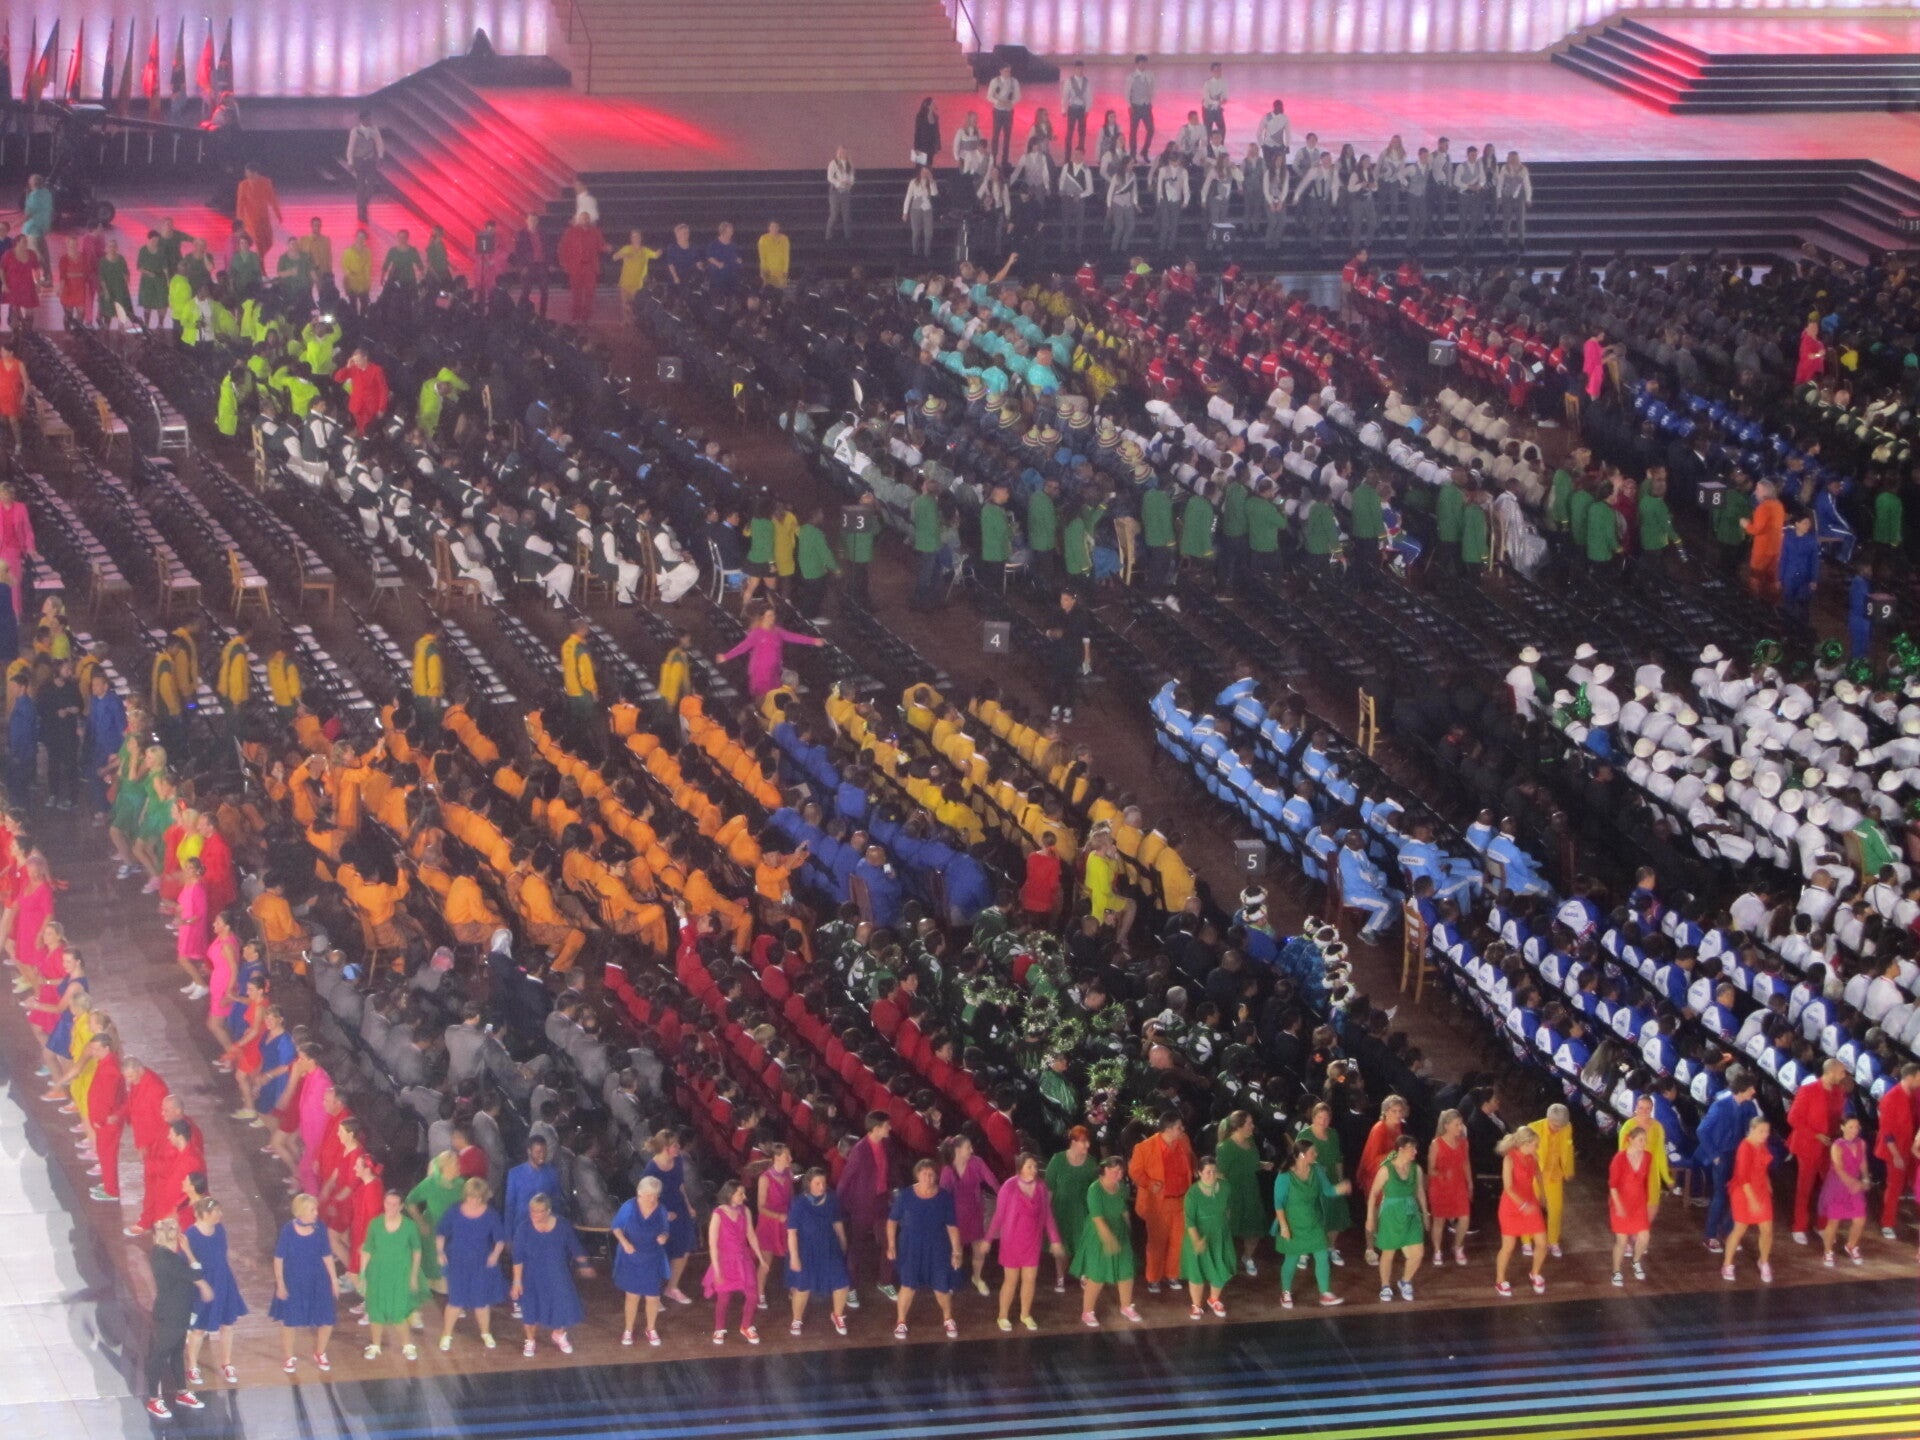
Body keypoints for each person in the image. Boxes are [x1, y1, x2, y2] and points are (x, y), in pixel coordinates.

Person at [987, 1151, 1064, 1331]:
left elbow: (1047, 1215)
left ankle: (1025, 1314)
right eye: (1029, 1166)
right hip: (1011, 1242)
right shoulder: (1009, 1186)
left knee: (1030, 1279)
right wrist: (988, 1239)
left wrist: (1055, 1240)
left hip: (1032, 1241)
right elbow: (999, 1216)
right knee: (1011, 1280)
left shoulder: (1041, 1187)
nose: (1034, 1170)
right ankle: (1003, 1316)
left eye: (1035, 1166)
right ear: (1020, 1168)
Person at [887, 1158, 961, 1340]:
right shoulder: (905, 1195)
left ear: (936, 1176)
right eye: (924, 1173)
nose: (928, 1177)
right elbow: (892, 1221)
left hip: (937, 1247)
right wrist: (891, 1244)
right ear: (917, 1175)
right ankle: (901, 1321)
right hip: (911, 1247)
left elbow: (952, 1226)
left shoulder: (944, 1197)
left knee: (941, 1286)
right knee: (908, 1285)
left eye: (931, 1174)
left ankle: (948, 1318)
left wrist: (956, 1251)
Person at [146, 1215, 211, 1419]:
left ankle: (182, 1392)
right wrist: (189, 1251)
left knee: (176, 1353)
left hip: (178, 1312)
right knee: (160, 1355)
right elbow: (197, 1274)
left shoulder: (160, 1254)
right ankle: (153, 1400)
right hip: (171, 1314)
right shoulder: (169, 1260)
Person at [511, 1193, 592, 1356]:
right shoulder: (523, 1228)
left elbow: (574, 1247)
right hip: (532, 1276)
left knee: (561, 1306)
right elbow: (518, 1258)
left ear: (548, 1211)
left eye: (539, 1211)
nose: (535, 1214)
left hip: (557, 1274)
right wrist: (517, 1282)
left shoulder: (562, 1225)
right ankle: (530, 1340)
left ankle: (559, 1334)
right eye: (532, 1211)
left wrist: (584, 1264)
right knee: (531, 1310)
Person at [1272, 1138, 1348, 1309]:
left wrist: (1340, 1188)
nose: (1316, 1154)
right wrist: (1284, 1226)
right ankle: (1285, 1292)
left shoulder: (1317, 1170)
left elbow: (1328, 1190)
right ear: (1301, 1155)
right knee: (1291, 1258)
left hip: (1313, 1221)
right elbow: (1279, 1203)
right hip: (1293, 1223)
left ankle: (1325, 1293)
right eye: (1313, 1152)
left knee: (1322, 1255)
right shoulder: (1285, 1176)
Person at [435, 1177, 508, 1351]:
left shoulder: (490, 1214)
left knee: (481, 1302)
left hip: (481, 1263)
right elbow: (441, 1233)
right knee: (455, 1301)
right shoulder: (454, 1211)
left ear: (483, 1196)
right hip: (458, 1262)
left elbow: (500, 1239)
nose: (474, 1200)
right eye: (470, 1197)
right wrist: (440, 1252)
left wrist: (495, 1254)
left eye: (478, 1197)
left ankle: (485, 1333)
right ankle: (446, 1334)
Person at [270, 1192, 337, 1374]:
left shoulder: (320, 1227)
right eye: (312, 1210)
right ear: (301, 1212)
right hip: (294, 1281)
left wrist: (333, 1279)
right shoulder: (288, 1230)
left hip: (318, 1280)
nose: (316, 1213)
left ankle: (320, 1353)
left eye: (316, 1209)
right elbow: (279, 1258)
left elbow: (326, 1254)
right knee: (290, 1321)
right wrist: (281, 1284)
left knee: (327, 1318)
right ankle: (288, 1357)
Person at [183, 1197, 246, 1388]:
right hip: (203, 1286)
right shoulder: (191, 1235)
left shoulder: (219, 1229)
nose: (221, 1214)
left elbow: (222, 1252)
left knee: (227, 1325)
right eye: (217, 1211)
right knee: (199, 1329)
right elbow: (185, 1264)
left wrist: (240, 1257)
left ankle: (226, 1363)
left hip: (223, 1282)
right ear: (205, 1214)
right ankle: (192, 1366)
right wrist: (201, 1285)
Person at [1129, 1111, 1193, 1293]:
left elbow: (1191, 1160)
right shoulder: (1144, 1147)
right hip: (1158, 1204)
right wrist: (1149, 1183)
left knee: (1178, 1241)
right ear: (1168, 1129)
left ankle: (1173, 1275)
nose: (1183, 1129)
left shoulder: (1184, 1141)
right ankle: (1153, 1278)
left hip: (1181, 1201)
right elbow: (1134, 1171)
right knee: (1156, 1243)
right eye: (1179, 1127)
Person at [1788, 1058, 1850, 1243]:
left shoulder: (1839, 1091)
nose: (1844, 1075)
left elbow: (1838, 1116)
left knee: (1830, 1187)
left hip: (1830, 1147)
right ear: (1830, 1072)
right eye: (1841, 1072)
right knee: (1804, 1188)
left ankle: (1822, 1225)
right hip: (1809, 1146)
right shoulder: (1808, 1090)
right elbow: (1793, 1118)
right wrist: (1815, 1135)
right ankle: (1799, 1227)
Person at [1071, 1157, 1139, 1326]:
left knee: (1126, 1269)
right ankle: (1087, 1312)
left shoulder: (1121, 1188)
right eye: (1115, 1170)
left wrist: (1128, 1230)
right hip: (1098, 1234)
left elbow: (1123, 1210)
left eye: (1121, 1171)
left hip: (1119, 1231)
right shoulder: (1094, 1189)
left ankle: (1126, 1306)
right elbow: (1098, 1219)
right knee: (1097, 1274)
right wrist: (1109, 1240)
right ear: (1105, 1170)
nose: (1119, 1174)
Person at [785, 1166, 851, 1337]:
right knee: (803, 1286)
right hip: (806, 1250)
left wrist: (843, 1241)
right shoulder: (799, 1203)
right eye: (817, 1183)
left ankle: (837, 1315)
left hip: (829, 1247)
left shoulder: (832, 1199)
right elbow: (792, 1232)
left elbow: (837, 1222)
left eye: (823, 1182)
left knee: (842, 1282)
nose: (822, 1186)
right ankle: (797, 1319)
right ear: (809, 1183)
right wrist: (794, 1257)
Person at [359, 1188, 424, 1362]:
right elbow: (367, 1249)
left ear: (401, 1206)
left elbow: (417, 1251)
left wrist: (413, 1275)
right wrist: (363, 1274)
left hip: (400, 1275)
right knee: (376, 1311)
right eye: (388, 1203)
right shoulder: (375, 1224)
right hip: (378, 1274)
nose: (391, 1207)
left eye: (395, 1204)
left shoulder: (409, 1226)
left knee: (398, 1312)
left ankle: (407, 1345)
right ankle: (375, 1345)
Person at [718, 602, 824, 700]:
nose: (772, 618)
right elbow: (742, 647)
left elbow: (793, 637)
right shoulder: (756, 633)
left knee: (773, 698)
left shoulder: (777, 631)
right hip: (760, 674)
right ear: (762, 617)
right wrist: (726, 656)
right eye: (769, 615)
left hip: (774, 672)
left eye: (773, 615)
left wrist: (813, 641)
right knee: (763, 698)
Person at [701, 1179, 764, 1346]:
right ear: (730, 1194)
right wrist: (717, 1269)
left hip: (743, 1259)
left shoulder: (745, 1211)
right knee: (724, 1298)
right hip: (725, 1261)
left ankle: (746, 1326)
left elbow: (751, 1235)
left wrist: (760, 1257)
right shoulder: (718, 1214)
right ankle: (719, 1328)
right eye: (740, 1193)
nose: (744, 1196)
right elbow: (713, 1244)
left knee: (752, 1295)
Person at [1367, 1136, 1428, 1302]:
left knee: (1418, 1253)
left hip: (1411, 1213)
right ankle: (1385, 1285)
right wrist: (1370, 1218)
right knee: (1388, 1252)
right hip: (1391, 1214)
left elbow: (1420, 1192)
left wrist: (1425, 1213)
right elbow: (1373, 1193)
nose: (1415, 1152)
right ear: (1400, 1149)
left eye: (1415, 1148)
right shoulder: (1386, 1169)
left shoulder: (1416, 1169)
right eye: (1411, 1148)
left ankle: (1405, 1281)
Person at [642, 1130, 699, 1303]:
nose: (678, 1147)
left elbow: (680, 1186)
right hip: (659, 1212)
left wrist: (688, 1206)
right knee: (660, 1253)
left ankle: (672, 1287)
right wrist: (663, 1213)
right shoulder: (651, 1168)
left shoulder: (678, 1160)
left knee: (683, 1248)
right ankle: (653, 1294)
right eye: (675, 1145)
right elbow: (646, 1196)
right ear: (666, 1148)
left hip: (679, 1208)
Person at [1179, 1153, 1234, 1318]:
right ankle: (1196, 1305)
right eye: (1208, 1172)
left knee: (1220, 1265)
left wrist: (1223, 1226)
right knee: (1197, 1271)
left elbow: (1228, 1208)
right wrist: (1197, 1241)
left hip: (1219, 1233)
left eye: (1214, 1171)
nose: (1212, 1175)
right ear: (1199, 1173)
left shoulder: (1225, 1187)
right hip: (1199, 1235)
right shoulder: (1193, 1194)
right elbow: (1189, 1220)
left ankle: (1214, 1299)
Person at [1493, 1126, 1547, 1297]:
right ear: (1526, 1143)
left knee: (1542, 1243)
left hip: (1530, 1202)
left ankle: (1535, 1273)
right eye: (1535, 1144)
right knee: (1508, 1247)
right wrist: (1523, 1206)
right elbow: (1508, 1188)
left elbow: (1538, 1174)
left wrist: (1542, 1195)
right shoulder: (1509, 1159)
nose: (1537, 1147)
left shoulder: (1532, 1157)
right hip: (1511, 1207)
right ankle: (1500, 1280)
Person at [1723, 1115, 1776, 1283]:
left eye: (1767, 1131)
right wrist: (1752, 1201)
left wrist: (1767, 1183)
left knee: (1767, 1230)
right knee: (1740, 1229)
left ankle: (1764, 1261)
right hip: (1743, 1191)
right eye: (1761, 1131)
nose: (1765, 1134)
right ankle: (1727, 1264)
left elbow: (1763, 1167)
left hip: (1761, 1189)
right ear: (1752, 1130)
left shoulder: (1762, 1144)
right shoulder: (1745, 1147)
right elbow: (1743, 1177)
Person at [1045, 1128, 1098, 1293]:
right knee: (1061, 1246)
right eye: (1083, 1142)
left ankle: (1084, 1274)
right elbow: (1049, 1189)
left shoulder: (1091, 1163)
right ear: (1073, 1142)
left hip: (1083, 1210)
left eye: (1088, 1141)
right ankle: (1060, 1277)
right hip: (1061, 1210)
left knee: (1083, 1243)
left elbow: (1096, 1189)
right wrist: (1044, 1215)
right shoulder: (1058, 1160)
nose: (1087, 1145)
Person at [1818, 1115, 1869, 1267]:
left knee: (1860, 1219)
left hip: (1855, 1185)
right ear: (1842, 1127)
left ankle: (1851, 1246)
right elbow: (1838, 1168)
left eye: (1857, 1127)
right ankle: (1828, 1251)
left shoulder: (1861, 1143)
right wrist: (1853, 1184)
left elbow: (1863, 1162)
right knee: (1834, 1221)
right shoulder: (1837, 1146)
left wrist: (1866, 1178)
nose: (1855, 1130)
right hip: (1838, 1187)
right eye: (1851, 1126)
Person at [1527, 1104, 1576, 1258]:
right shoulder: (1533, 1128)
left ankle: (1553, 1241)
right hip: (1536, 1175)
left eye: (1561, 1126)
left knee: (1556, 1209)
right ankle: (1527, 1240)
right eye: (1555, 1125)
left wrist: (1569, 1170)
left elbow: (1569, 1149)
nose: (1558, 1128)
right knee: (1531, 1207)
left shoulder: (1567, 1128)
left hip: (1555, 1175)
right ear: (1548, 1119)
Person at [1609, 1124, 1653, 1286]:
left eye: (1645, 1140)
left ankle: (1636, 1261)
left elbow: (1645, 1181)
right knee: (1621, 1241)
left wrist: (1647, 1201)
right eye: (1640, 1140)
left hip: (1638, 1204)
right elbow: (1613, 1185)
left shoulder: (1648, 1157)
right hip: (1621, 1203)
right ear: (1631, 1140)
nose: (1644, 1143)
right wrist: (1618, 1206)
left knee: (1645, 1237)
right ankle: (1616, 1271)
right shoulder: (1619, 1159)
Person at [1427, 1108, 1471, 1266]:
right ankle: (1437, 1250)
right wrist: (1442, 1174)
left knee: (1464, 1218)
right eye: (1456, 1124)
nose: (1460, 1127)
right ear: (1446, 1126)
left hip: (1458, 1185)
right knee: (1439, 1220)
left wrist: (1470, 1183)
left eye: (1461, 1124)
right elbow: (1430, 1169)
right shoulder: (1436, 1144)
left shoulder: (1463, 1143)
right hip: (1440, 1187)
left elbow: (1466, 1163)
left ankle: (1457, 1246)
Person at [345, 109, 384, 222]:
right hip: (359, 161)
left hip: (370, 160)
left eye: (370, 118)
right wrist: (350, 162)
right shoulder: (355, 131)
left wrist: (380, 156)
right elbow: (350, 147)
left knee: (371, 185)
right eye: (367, 119)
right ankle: (361, 210)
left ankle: (364, 203)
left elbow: (379, 143)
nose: (369, 120)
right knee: (360, 186)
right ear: (362, 120)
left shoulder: (374, 130)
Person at [903, 167, 938, 259]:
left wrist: (931, 181)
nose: (924, 173)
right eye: (923, 171)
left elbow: (934, 193)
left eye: (926, 172)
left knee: (929, 233)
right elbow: (908, 197)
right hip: (915, 209)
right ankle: (915, 252)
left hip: (927, 209)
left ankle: (927, 253)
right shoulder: (913, 182)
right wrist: (905, 212)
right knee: (916, 233)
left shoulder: (931, 182)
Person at [1126, 54, 1156, 156]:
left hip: (1146, 106)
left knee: (1151, 129)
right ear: (1137, 64)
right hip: (1135, 106)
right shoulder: (1131, 77)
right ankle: (1133, 153)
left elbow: (1153, 89)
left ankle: (1145, 151)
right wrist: (1129, 105)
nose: (1143, 65)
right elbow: (1127, 92)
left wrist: (1150, 102)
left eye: (1145, 63)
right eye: (1141, 63)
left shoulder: (1150, 75)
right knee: (1133, 131)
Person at [826, 147, 856, 241]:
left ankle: (848, 237)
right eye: (840, 152)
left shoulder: (849, 164)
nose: (842, 154)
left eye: (844, 152)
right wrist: (839, 183)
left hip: (846, 192)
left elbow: (851, 176)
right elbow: (830, 177)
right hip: (835, 192)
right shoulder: (833, 163)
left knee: (846, 216)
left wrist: (850, 183)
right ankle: (828, 236)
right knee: (834, 215)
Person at [757, 220, 790, 289]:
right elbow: (762, 256)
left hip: (780, 271)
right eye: (772, 226)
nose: (774, 228)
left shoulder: (784, 239)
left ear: (779, 228)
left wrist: (785, 270)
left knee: (780, 291)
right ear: (769, 228)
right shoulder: (763, 238)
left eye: (776, 227)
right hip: (768, 271)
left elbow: (786, 255)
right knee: (767, 290)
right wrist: (764, 270)